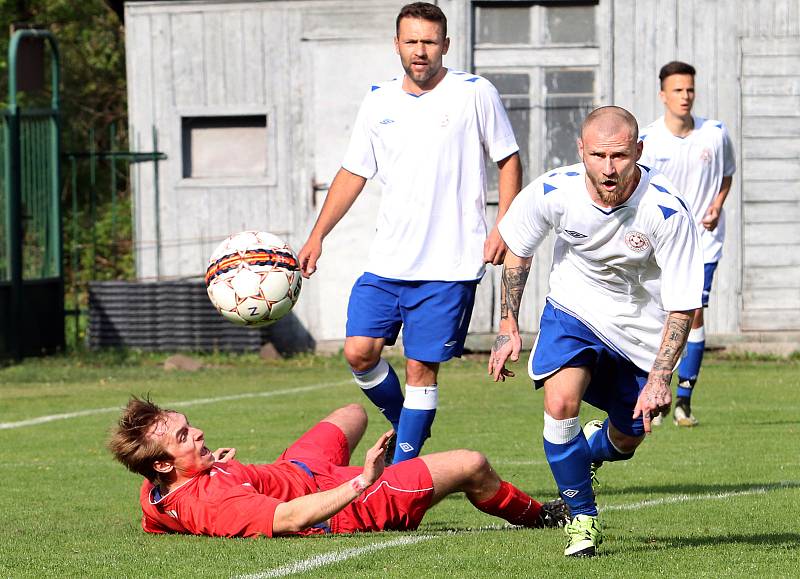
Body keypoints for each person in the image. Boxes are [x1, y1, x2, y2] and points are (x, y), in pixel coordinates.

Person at [297, 2, 522, 464]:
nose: (420, 51)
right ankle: (408, 429)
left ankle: (401, 475)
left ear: (445, 45)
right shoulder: (378, 100)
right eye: (411, 41)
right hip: (387, 260)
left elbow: (508, 159)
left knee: (421, 368)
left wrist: (505, 224)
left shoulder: (474, 93)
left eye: (429, 41)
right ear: (396, 44)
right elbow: (353, 172)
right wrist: (318, 234)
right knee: (359, 352)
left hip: (449, 264)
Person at [487, 106, 704, 557]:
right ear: (581, 151)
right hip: (574, 311)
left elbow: (683, 306)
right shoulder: (552, 190)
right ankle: (582, 519)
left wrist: (661, 378)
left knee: (628, 438)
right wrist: (508, 325)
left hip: (638, 331)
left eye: (621, 156)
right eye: (599, 155)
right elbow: (519, 253)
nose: (609, 168)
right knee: (559, 402)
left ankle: (587, 447)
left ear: (639, 151)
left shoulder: (666, 210)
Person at [108, 397, 569, 538]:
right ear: (166, 462)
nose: (200, 433)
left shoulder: (154, 493)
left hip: (298, 467)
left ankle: (406, 440)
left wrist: (215, 468)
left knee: (352, 413)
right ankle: (542, 515)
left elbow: (165, 515)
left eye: (190, 426)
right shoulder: (214, 502)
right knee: (472, 464)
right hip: (347, 500)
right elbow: (287, 518)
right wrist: (364, 481)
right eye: (186, 437)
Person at [639, 61, 737, 427]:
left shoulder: (714, 133)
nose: (685, 96)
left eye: (690, 89)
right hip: (662, 243)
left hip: (705, 242)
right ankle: (654, 390)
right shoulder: (649, 140)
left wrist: (716, 205)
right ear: (663, 95)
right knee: (660, 316)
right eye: (677, 90)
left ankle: (683, 399)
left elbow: (726, 174)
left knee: (692, 312)